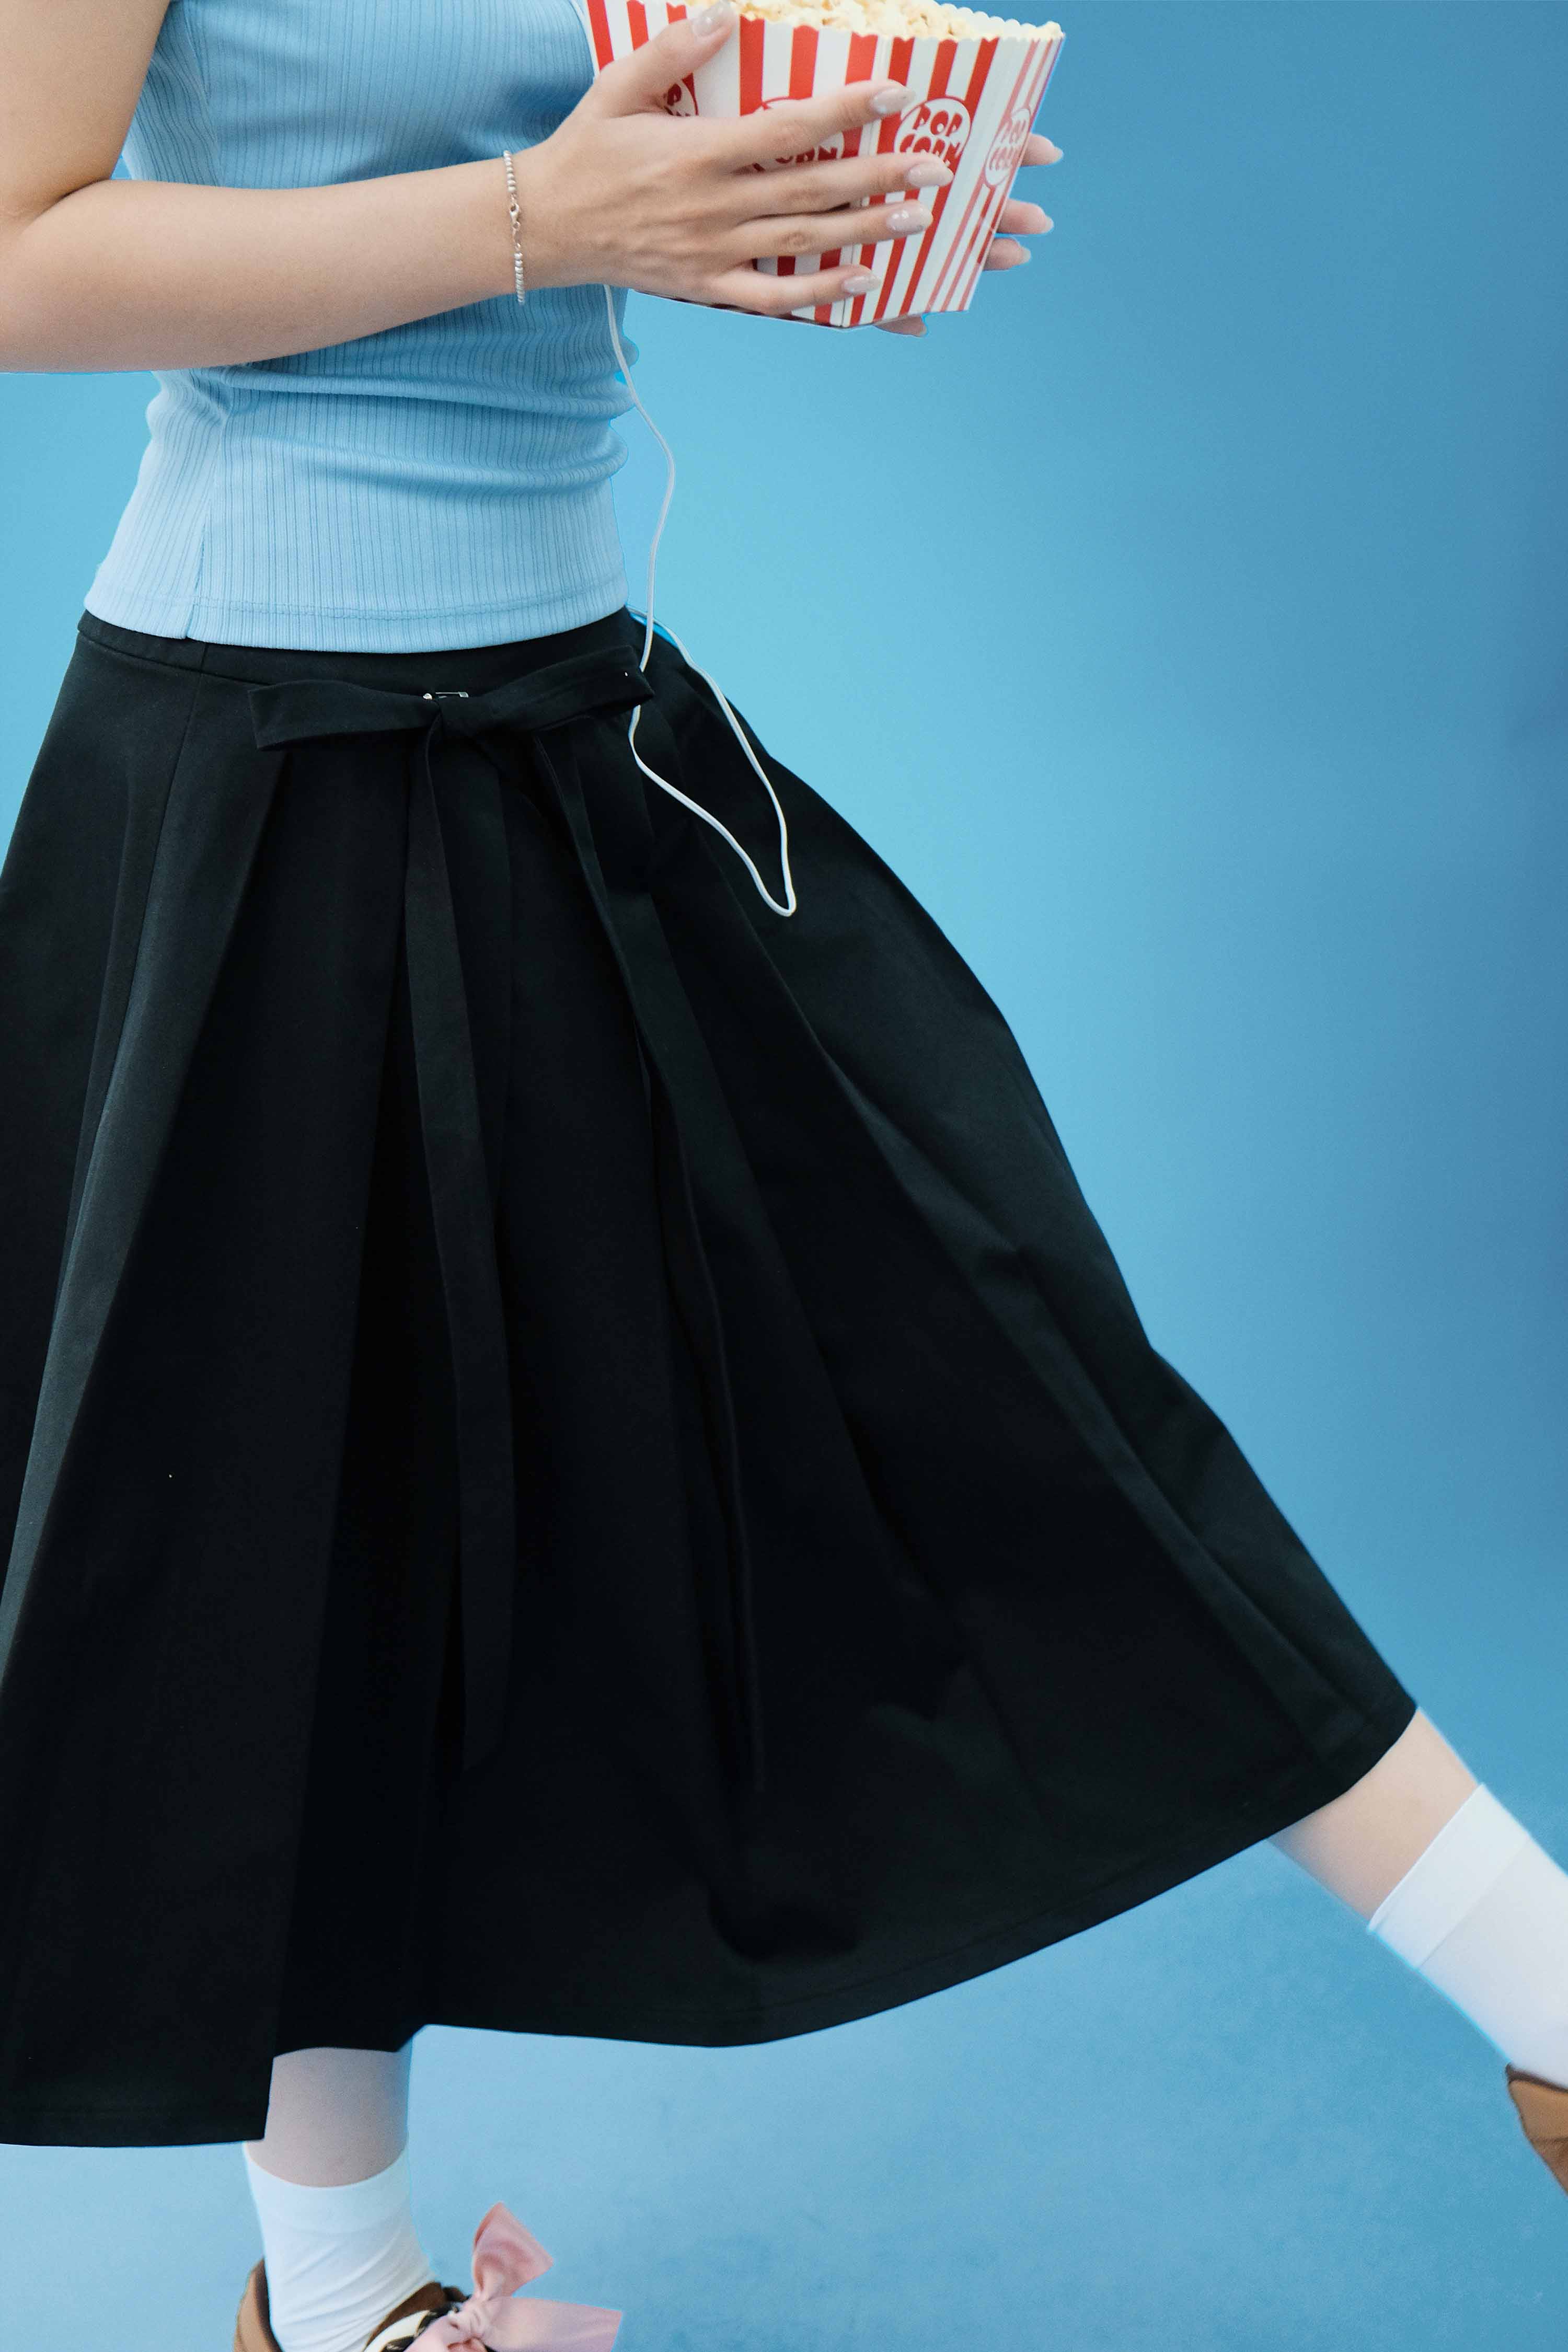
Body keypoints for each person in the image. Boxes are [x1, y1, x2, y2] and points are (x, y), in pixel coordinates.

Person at [0, 1, 1564, 2345]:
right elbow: (18, 254)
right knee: (291, 1555)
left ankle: (1553, 1999)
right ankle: (339, 2303)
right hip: (254, 759)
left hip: (578, 715)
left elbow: (604, 158)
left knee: (1017, 1385)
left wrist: (798, 196)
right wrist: (542, 219)